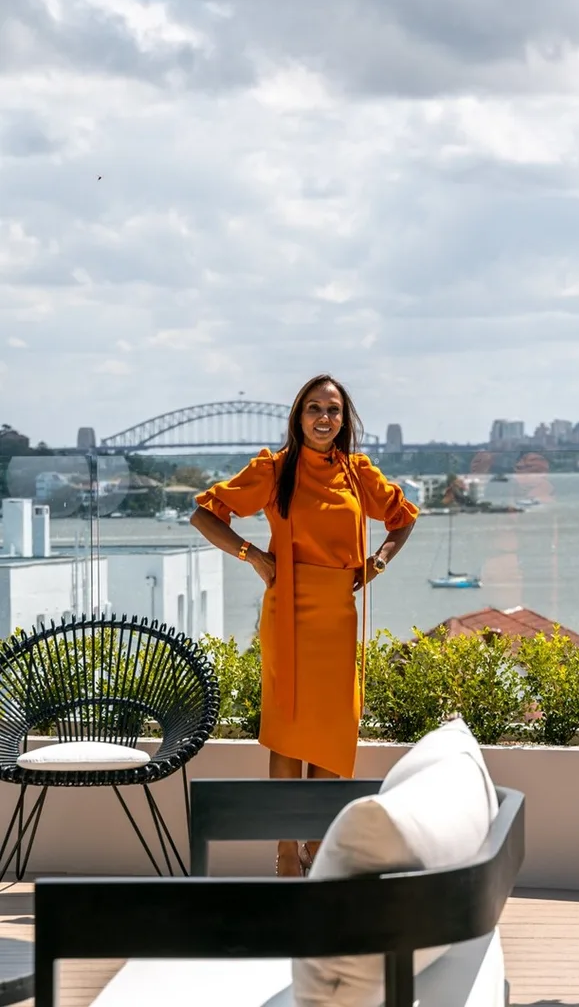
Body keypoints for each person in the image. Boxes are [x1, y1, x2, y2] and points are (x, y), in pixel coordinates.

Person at [190, 374, 418, 876]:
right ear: (298, 416)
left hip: (338, 613)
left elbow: (403, 518)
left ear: (344, 419)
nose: (323, 418)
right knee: (289, 732)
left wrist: (377, 559)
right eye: (314, 408)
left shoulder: (358, 473)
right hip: (288, 611)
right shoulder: (274, 470)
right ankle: (286, 852)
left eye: (333, 410)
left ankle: (319, 847)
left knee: (335, 729)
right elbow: (205, 514)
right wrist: (251, 554)